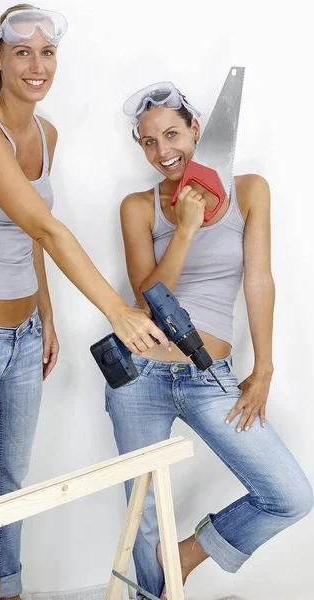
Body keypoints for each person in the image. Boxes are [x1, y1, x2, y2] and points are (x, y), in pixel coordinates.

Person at [0, 8, 171, 600]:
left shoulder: (47, 134)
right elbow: (49, 228)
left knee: (9, 486)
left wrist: (46, 317)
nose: (37, 65)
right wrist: (119, 311)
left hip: (21, 336)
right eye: (23, 52)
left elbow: (27, 234)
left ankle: (8, 593)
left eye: (48, 52)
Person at [105, 81, 313, 597]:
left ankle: (184, 556)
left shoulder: (249, 190)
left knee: (289, 495)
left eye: (172, 134)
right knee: (144, 514)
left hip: (209, 375)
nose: (164, 151)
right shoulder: (137, 206)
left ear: (197, 130)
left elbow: (258, 281)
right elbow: (150, 295)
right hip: (139, 375)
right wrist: (185, 228)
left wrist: (263, 368)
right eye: (149, 142)